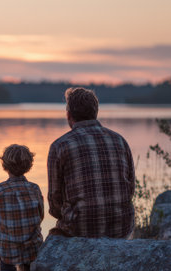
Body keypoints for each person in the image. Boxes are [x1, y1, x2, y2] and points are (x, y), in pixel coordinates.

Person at [47, 87, 135, 238]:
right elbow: (130, 188)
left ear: (69, 115)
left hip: (79, 228)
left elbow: (55, 201)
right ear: (96, 113)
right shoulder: (119, 141)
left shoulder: (60, 146)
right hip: (122, 226)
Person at [0, 144, 44, 271]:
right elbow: (40, 217)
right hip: (33, 250)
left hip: (7, 252)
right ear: (29, 166)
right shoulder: (35, 189)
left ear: (4, 166)